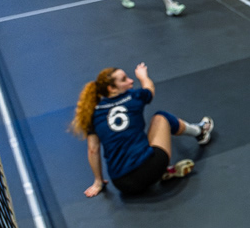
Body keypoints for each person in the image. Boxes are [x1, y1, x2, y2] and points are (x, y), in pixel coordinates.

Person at [71, 63, 213, 197]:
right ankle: (200, 132)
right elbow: (149, 89)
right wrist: (143, 76)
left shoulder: (94, 114)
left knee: (135, 142)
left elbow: (93, 150)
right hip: (150, 170)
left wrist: (98, 182)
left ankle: (164, 172)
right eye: (124, 79)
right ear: (112, 89)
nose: (131, 81)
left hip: (122, 184)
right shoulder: (133, 97)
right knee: (161, 117)